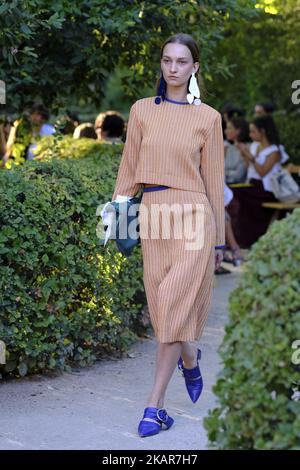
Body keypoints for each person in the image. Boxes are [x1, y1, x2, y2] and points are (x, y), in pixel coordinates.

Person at [111, 33, 225, 438]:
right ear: (161, 65)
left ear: (195, 67)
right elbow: (128, 171)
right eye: (167, 60)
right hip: (155, 215)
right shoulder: (142, 111)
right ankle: (190, 357)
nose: (173, 68)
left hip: (195, 215)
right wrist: (117, 218)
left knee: (174, 306)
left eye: (182, 61)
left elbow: (214, 180)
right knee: (164, 311)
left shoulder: (208, 117)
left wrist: (219, 241)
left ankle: (152, 407)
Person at [229, 115, 284, 248]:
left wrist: (251, 157)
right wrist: (244, 154)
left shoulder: (275, 151)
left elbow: (262, 172)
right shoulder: (254, 146)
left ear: (262, 131)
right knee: (232, 192)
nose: (250, 134)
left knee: (236, 193)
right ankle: (238, 237)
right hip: (253, 185)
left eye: (253, 131)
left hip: (266, 189)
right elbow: (250, 169)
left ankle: (242, 239)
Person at [224, 117, 250, 184]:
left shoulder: (246, 148)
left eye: (229, 128)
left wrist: (224, 173)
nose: (225, 131)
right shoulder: (228, 148)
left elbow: (239, 175)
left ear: (238, 131)